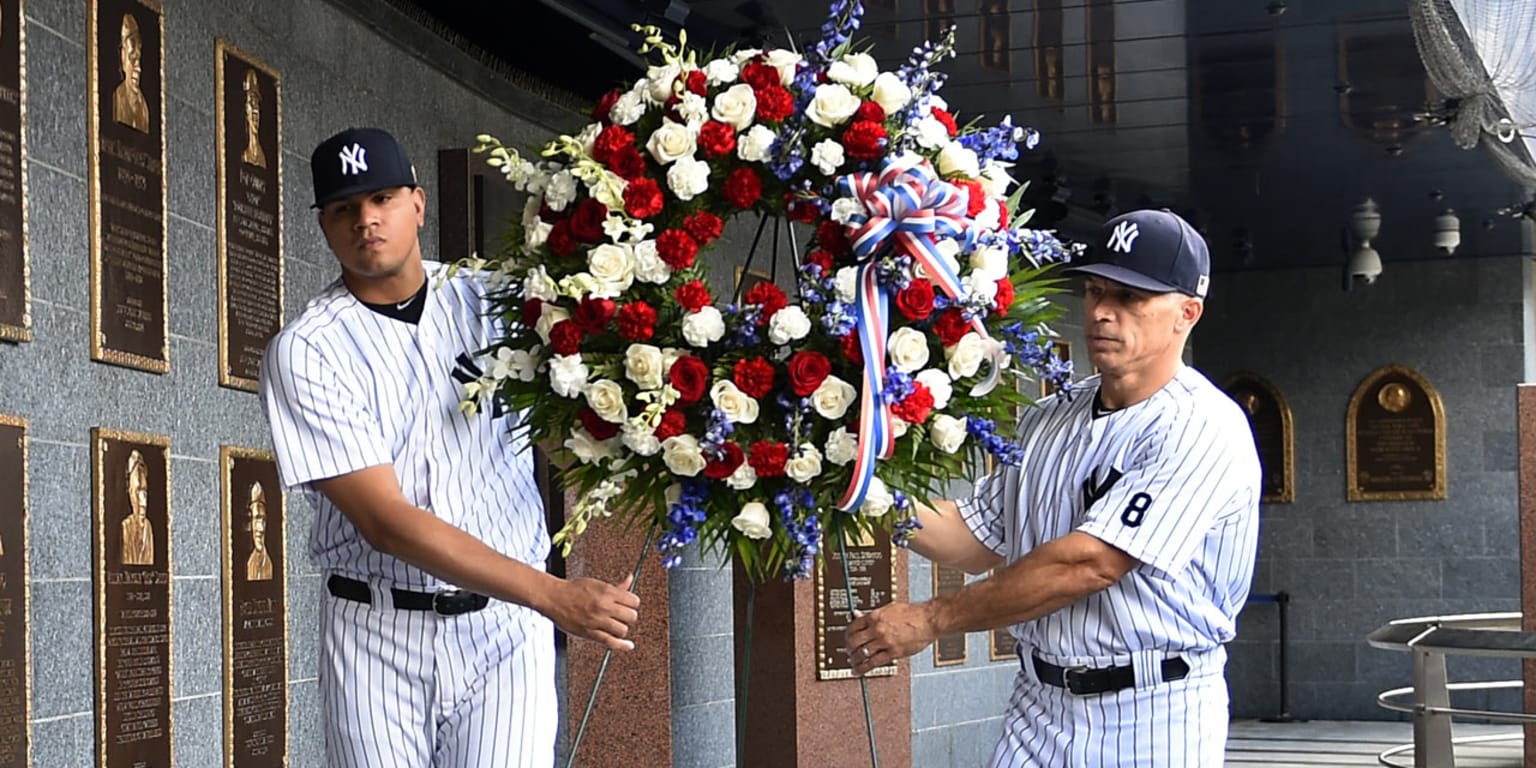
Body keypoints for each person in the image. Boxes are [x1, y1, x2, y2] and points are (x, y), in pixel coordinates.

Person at [259, 127, 641, 768]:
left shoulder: (495, 300)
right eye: (344, 209)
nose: (366, 220)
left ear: (418, 203)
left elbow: (579, 422)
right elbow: (386, 522)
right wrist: (552, 595)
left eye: (381, 197)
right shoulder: (306, 349)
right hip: (378, 635)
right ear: (324, 227)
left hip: (503, 635)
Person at [845, 209, 1260, 766]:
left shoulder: (1203, 424)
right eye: (1095, 290)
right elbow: (974, 538)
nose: (1103, 312)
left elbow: (1090, 565)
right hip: (1038, 705)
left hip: (1154, 708)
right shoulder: (1051, 415)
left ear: (1188, 313)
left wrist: (931, 619)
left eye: (1131, 297)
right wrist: (853, 484)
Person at [112, 13, 149, 133]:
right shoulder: (117, 97)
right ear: (123, 57)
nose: (139, 68)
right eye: (132, 59)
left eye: (139, 59)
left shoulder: (143, 106)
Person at [121, 448, 153, 565]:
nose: (143, 502)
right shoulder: (125, 528)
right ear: (130, 493)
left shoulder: (148, 528)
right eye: (137, 492)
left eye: (144, 492)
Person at [245, 481, 273, 581]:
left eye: (263, 519)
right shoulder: (247, 562)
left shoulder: (268, 562)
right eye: (257, 518)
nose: (261, 527)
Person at [240, 68, 267, 168]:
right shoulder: (244, 154)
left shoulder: (262, 157)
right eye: (252, 103)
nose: (255, 111)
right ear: (245, 109)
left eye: (257, 105)